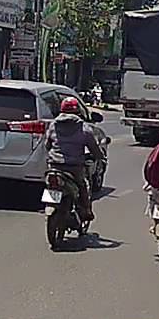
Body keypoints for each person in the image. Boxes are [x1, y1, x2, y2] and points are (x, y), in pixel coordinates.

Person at [45, 96, 106, 224]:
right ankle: (86, 211)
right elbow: (94, 148)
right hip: (74, 167)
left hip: (54, 166)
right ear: (78, 111)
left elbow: (47, 145)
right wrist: (100, 156)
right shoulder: (83, 128)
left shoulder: (53, 125)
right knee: (83, 187)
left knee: (51, 187)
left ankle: (52, 204)